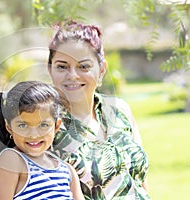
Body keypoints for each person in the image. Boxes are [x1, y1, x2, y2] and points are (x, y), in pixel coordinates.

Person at [46, 20, 150, 199]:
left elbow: (140, 181)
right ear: (50, 70)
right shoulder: (42, 123)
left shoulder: (120, 110)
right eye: (62, 66)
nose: (72, 75)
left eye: (83, 66)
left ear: (101, 69)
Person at [0, 81, 84, 200]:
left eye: (43, 125)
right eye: (23, 126)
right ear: (9, 127)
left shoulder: (67, 171)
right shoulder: (12, 160)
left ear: (56, 126)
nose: (34, 135)